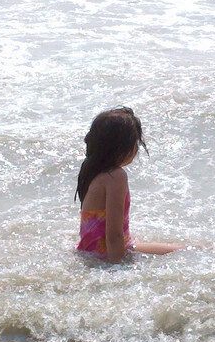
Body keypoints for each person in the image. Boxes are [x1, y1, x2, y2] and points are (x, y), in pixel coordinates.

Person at [75, 107, 182, 263]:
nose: (137, 148)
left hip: (88, 249)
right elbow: (114, 234)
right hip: (105, 253)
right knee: (182, 252)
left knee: (176, 249)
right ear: (122, 146)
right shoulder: (115, 176)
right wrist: (117, 267)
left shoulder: (92, 169)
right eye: (135, 143)